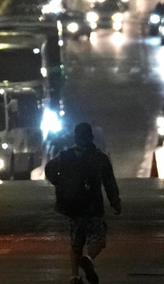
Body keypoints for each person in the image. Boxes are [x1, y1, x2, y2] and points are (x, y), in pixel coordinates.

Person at [45, 122, 121, 284]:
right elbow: (109, 182)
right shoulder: (100, 158)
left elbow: (49, 168)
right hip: (93, 206)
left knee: (76, 242)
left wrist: (59, 183)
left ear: (75, 137)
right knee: (98, 239)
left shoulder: (64, 156)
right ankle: (88, 258)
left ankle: (74, 277)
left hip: (73, 207)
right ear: (91, 137)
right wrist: (115, 202)